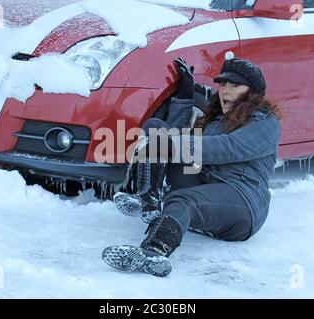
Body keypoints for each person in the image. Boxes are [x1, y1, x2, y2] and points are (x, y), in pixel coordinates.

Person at [102, 52, 282, 277]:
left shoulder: (265, 123)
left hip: (242, 202)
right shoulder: (215, 122)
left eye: (235, 85)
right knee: (157, 129)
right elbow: (178, 138)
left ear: (253, 93)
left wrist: (174, 145)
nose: (225, 90)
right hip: (207, 187)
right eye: (223, 84)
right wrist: (184, 96)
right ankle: (149, 201)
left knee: (183, 200)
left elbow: (228, 147)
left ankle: (153, 252)